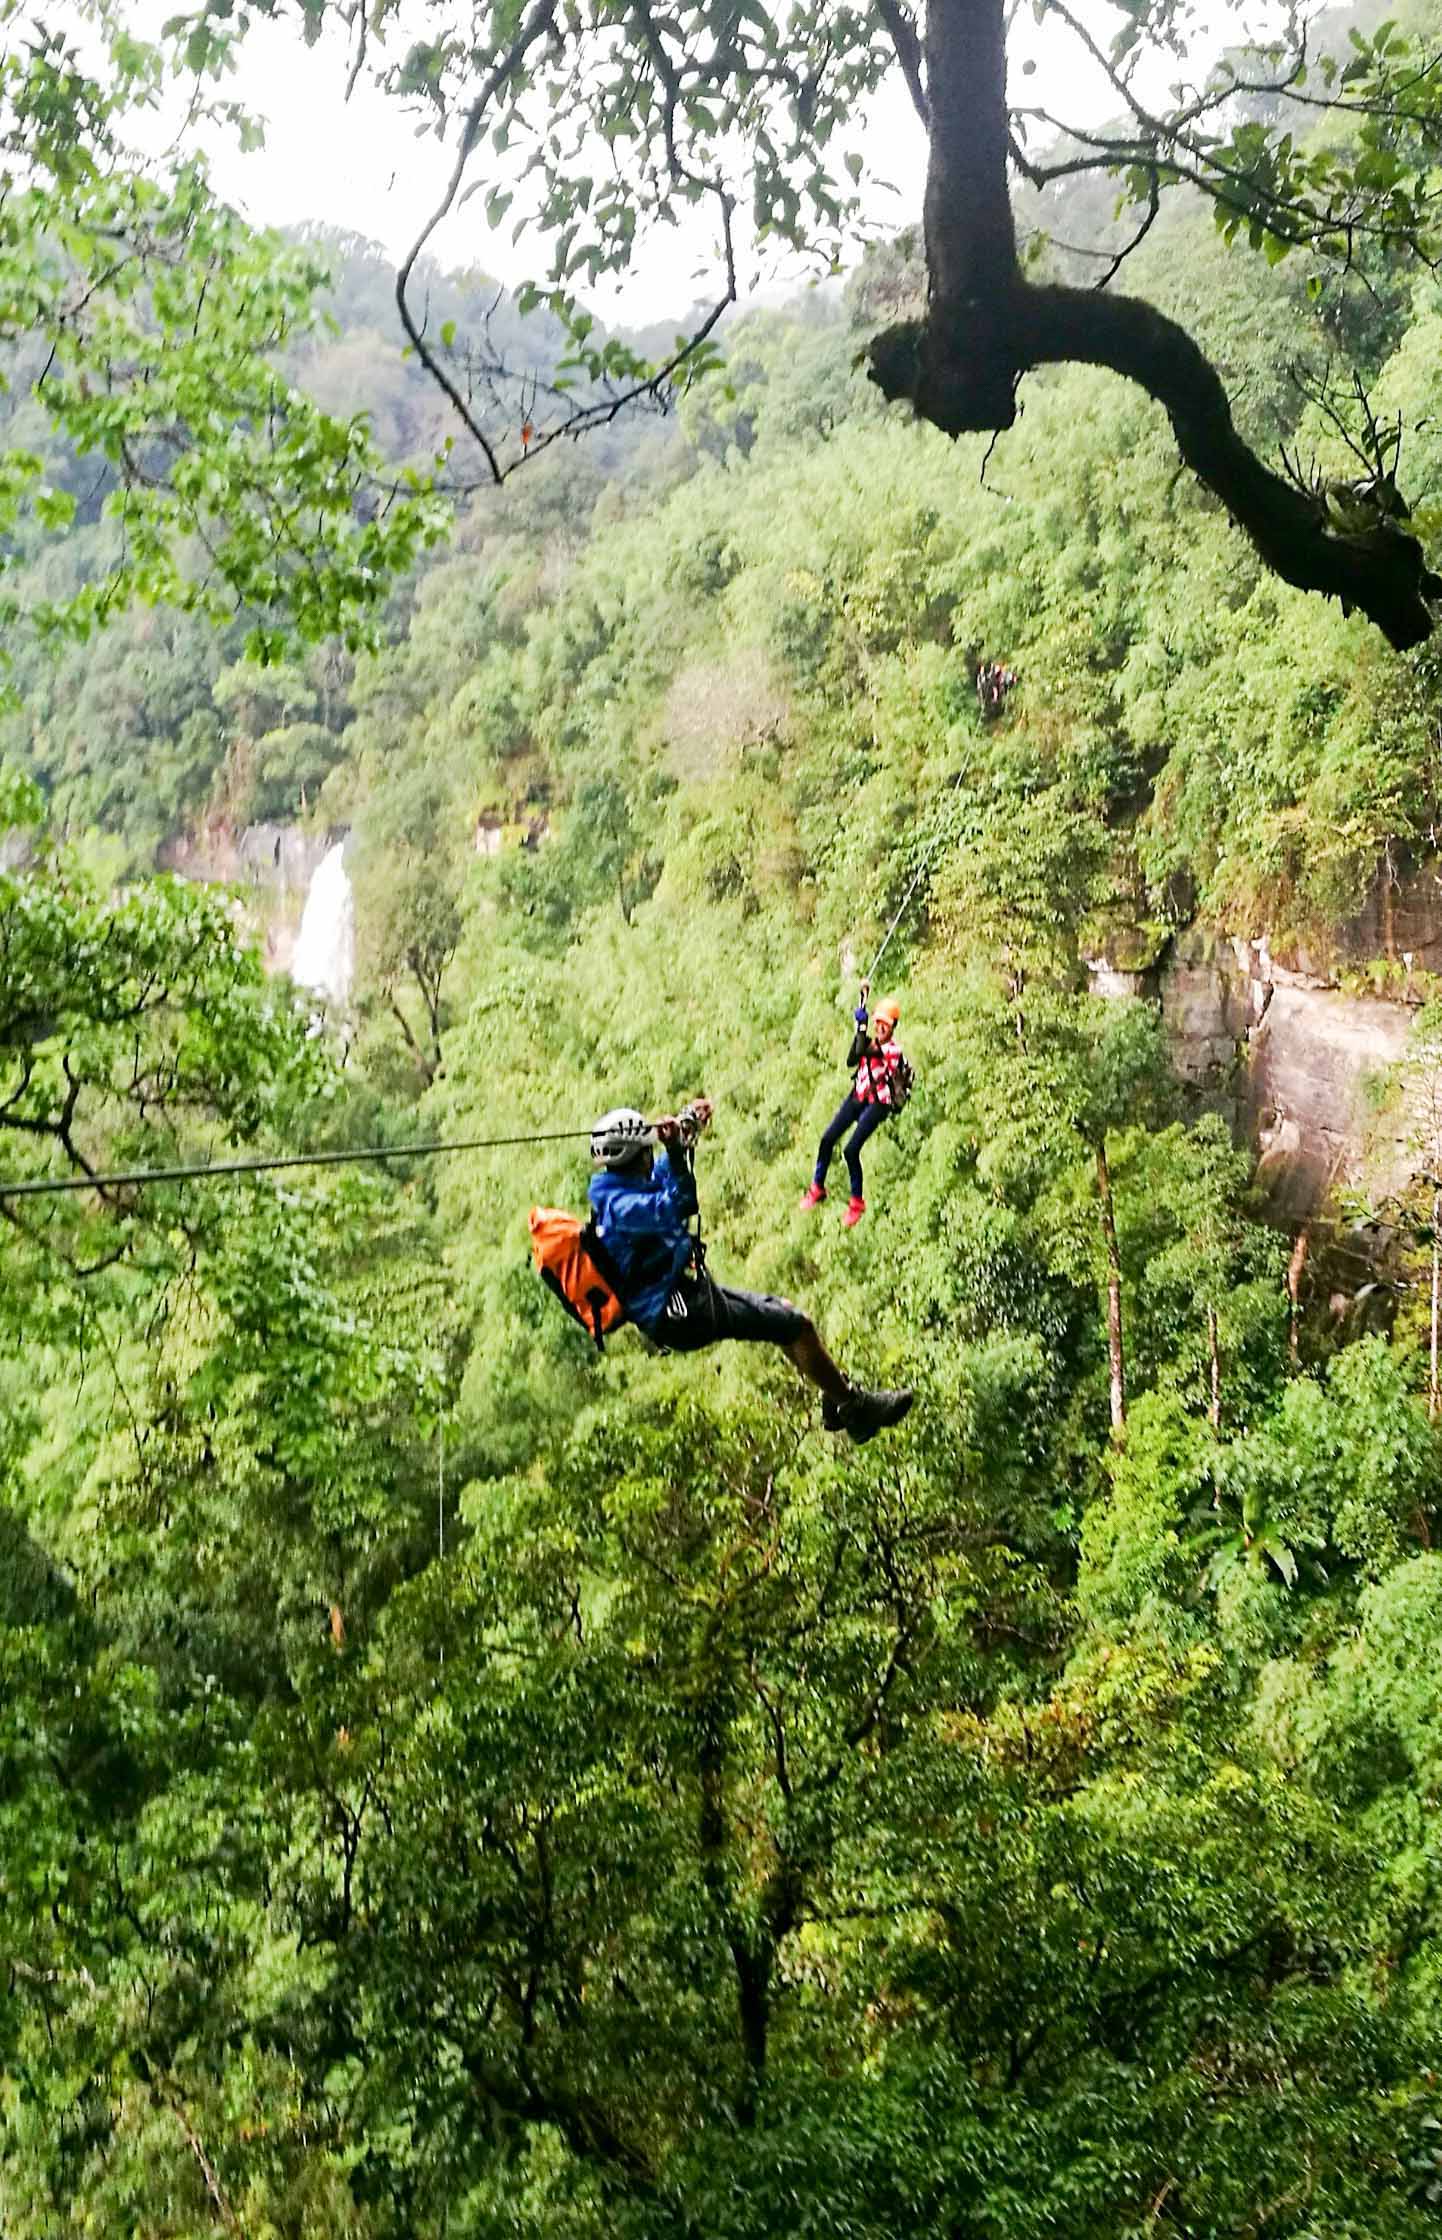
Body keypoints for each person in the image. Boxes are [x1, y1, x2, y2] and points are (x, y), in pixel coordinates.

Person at [588, 1100, 912, 1443]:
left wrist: (686, 1127)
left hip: (686, 1295)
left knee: (787, 1316)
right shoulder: (623, 1208)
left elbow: (661, 1176)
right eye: (648, 1152)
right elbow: (678, 1203)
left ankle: (838, 1398)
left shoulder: (622, 1189)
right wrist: (673, 1148)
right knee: (794, 1326)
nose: (652, 1157)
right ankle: (853, 1407)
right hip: (683, 1314)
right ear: (638, 1157)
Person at [800, 985, 908, 1228]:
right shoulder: (869, 1043)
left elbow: (868, 1051)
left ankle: (856, 1202)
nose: (880, 1028)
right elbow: (852, 1058)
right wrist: (860, 1018)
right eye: (878, 1023)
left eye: (885, 1025)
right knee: (827, 1139)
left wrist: (861, 1027)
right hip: (858, 1096)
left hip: (879, 1103)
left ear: (892, 1028)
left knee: (851, 1150)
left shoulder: (892, 1050)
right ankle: (817, 1186)